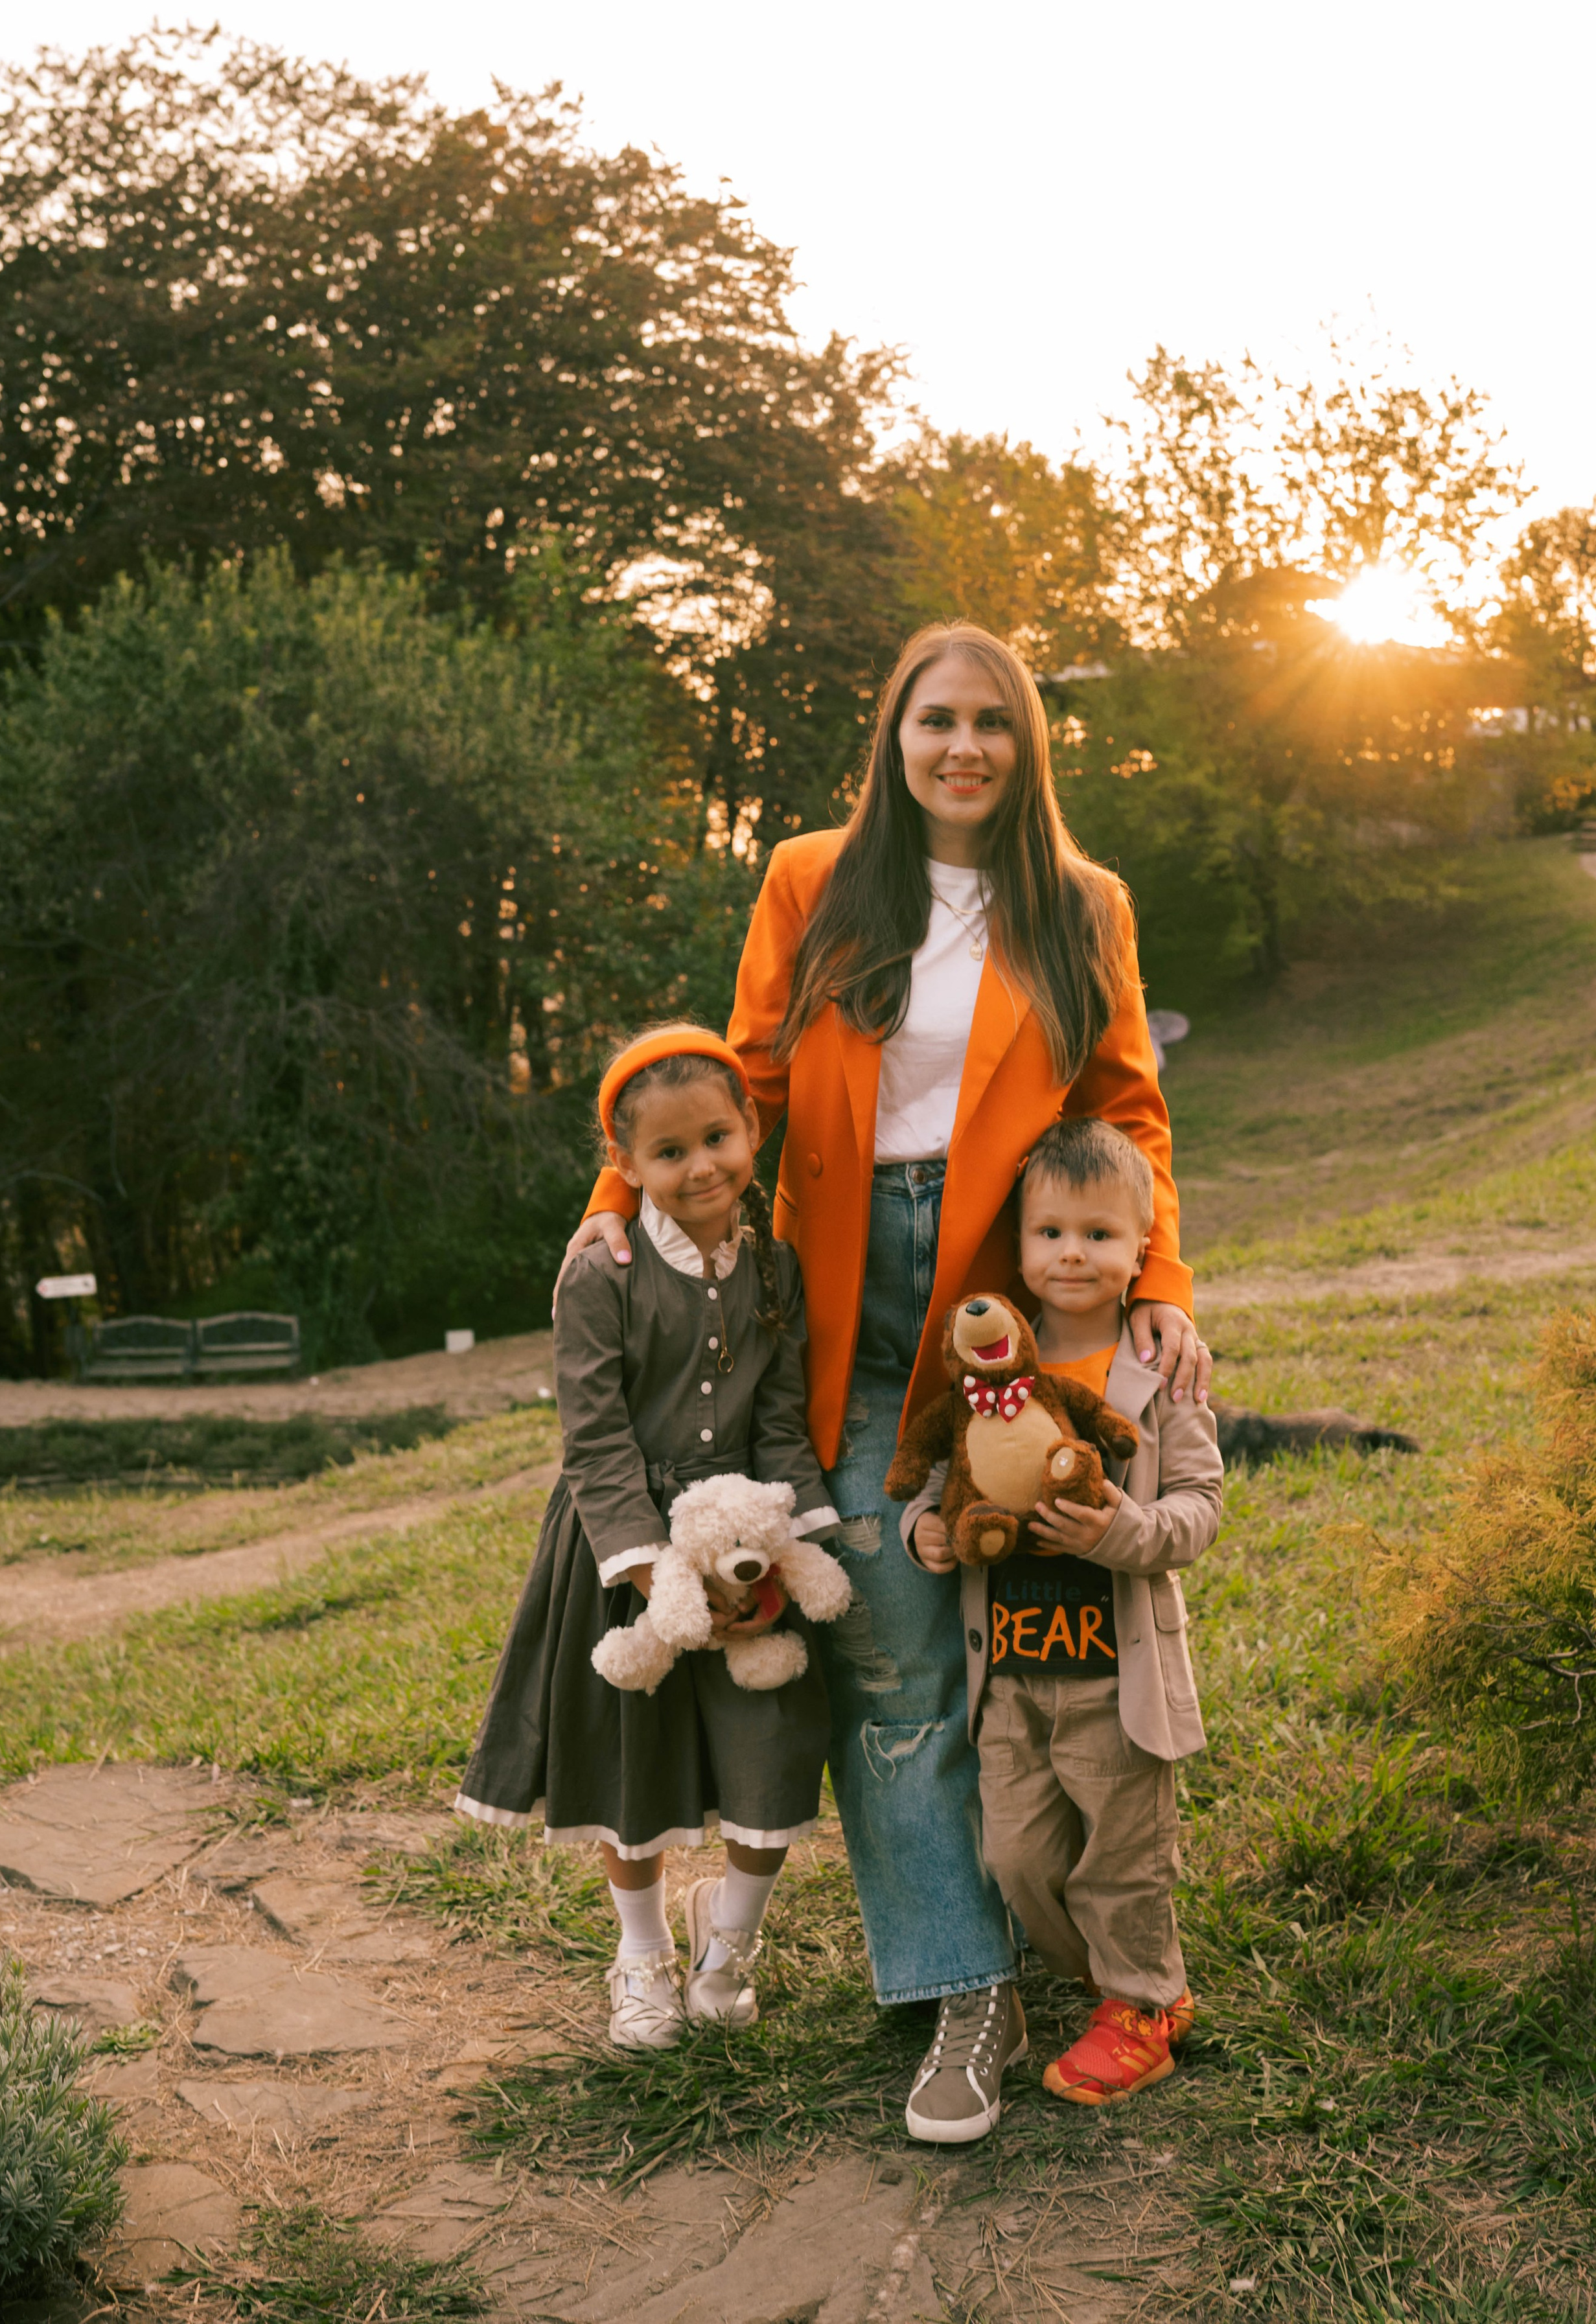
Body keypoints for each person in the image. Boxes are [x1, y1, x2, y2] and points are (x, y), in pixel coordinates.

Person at [560, 620, 1211, 2136]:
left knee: (1036, 1636)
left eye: (991, 720)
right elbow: (743, 1083)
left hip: (1003, 1303)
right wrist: (618, 1214)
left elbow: (1128, 1109)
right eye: (936, 719)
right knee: (895, 1659)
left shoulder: (1081, 905)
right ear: (893, 734)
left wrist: (1156, 1281)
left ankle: (1100, 1931)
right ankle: (956, 1988)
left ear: (1025, 741)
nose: (962, 746)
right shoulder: (811, 877)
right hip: (840, 1304)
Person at [457, 1025, 837, 2048]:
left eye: (718, 1137)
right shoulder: (601, 1274)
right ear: (625, 1166)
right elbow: (594, 1436)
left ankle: (731, 1946)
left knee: (773, 1748)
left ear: (750, 1127)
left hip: (748, 1541)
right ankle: (642, 1957)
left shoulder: (777, 1268)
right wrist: (646, 1562)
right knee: (634, 1760)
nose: (700, 1165)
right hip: (625, 1553)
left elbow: (781, 1419)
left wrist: (801, 1544)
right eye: (669, 1154)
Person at [902, 1118, 1222, 2126]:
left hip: (1112, 1683)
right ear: (1020, 1248)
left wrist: (1121, 1528)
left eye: (1098, 1234)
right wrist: (926, 1537)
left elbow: (1199, 1510)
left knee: (1123, 1857)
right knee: (1020, 1857)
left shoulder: (1156, 1370)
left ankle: (1145, 2003)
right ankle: (1102, 1982)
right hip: (1011, 1676)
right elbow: (934, 1482)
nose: (1072, 1254)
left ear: (1142, 1253)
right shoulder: (985, 1374)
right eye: (1050, 1234)